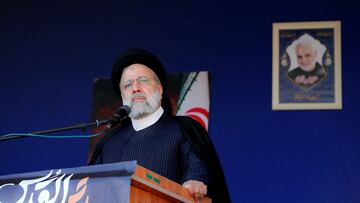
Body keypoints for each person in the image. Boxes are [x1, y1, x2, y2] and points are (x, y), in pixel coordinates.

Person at [89, 48, 231, 203]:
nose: (136, 88)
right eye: (128, 85)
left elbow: (196, 168)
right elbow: (89, 188)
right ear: (123, 96)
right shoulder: (108, 142)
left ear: (160, 89)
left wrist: (194, 182)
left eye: (143, 80)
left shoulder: (184, 129)